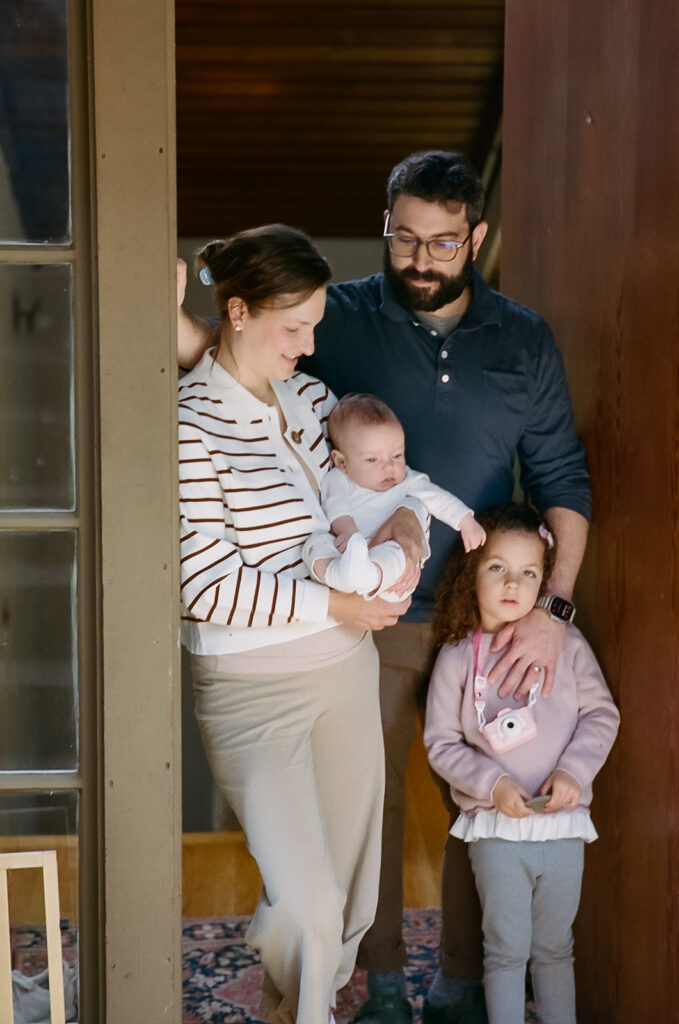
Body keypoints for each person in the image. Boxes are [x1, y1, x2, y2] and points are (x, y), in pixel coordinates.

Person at [177, 151, 591, 1024]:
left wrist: (546, 607)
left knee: (457, 811)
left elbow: (562, 480)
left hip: (460, 623)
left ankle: (442, 985)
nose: (418, 257)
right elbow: (240, 360)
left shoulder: (515, 341)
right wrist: (179, 323)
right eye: (402, 236)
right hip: (357, 629)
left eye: (442, 242)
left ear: (475, 237)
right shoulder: (338, 323)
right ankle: (371, 993)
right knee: (339, 863)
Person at [178, 224, 414, 1024]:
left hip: (345, 670)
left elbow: (375, 488)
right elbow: (203, 584)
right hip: (251, 692)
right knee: (308, 905)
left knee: (345, 899)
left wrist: (407, 532)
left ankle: (289, 1010)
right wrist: (337, 603)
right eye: (293, 328)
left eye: (313, 325)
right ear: (236, 312)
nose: (308, 346)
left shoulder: (314, 402)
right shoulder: (186, 423)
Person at [424, 504, 619, 1024]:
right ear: (472, 572)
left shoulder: (569, 646)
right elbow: (441, 743)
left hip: (563, 825)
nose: (514, 583)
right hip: (496, 831)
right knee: (506, 950)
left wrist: (574, 772)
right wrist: (493, 784)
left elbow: (601, 715)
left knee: (556, 948)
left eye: (529, 573)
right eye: (497, 568)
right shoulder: (456, 656)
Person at [303, 392, 486, 600]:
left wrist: (465, 521)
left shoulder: (406, 479)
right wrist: (351, 535)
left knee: (396, 553)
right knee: (314, 544)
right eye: (372, 459)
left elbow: (436, 496)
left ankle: (370, 576)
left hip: (387, 565)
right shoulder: (338, 478)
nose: (388, 466)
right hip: (346, 549)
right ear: (342, 462)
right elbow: (335, 505)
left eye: (397, 455)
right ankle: (343, 575)